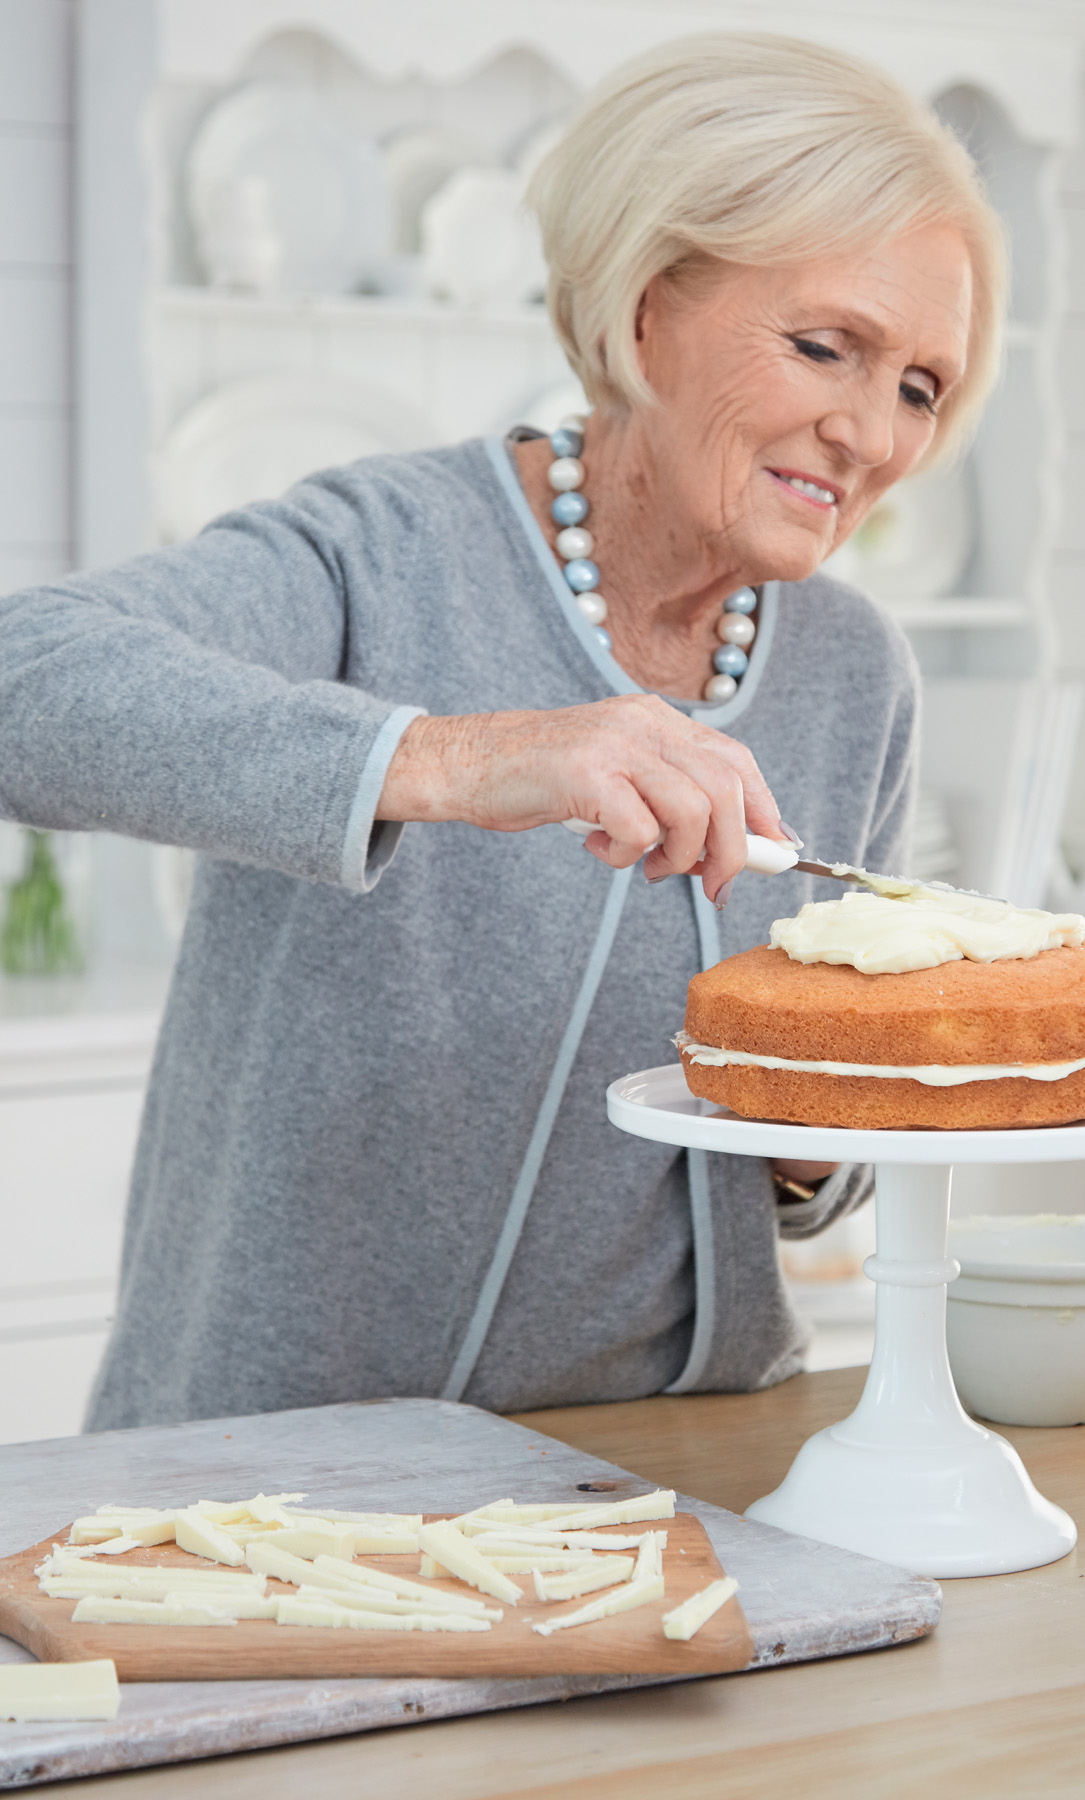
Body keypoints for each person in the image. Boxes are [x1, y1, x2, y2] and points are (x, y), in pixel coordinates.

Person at [0, 33, 1003, 1428]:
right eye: (825, 346)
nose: (868, 433)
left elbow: (816, 1173)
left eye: (917, 387)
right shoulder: (380, 552)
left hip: (676, 1456)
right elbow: (22, 679)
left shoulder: (853, 670)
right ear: (646, 314)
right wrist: (459, 761)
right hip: (284, 1472)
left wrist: (823, 1119)